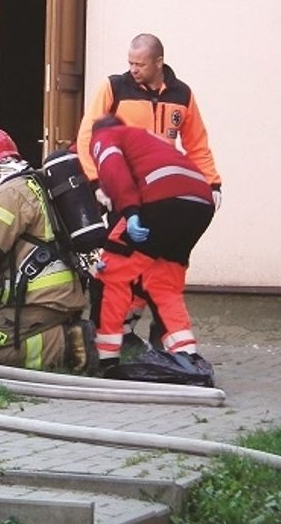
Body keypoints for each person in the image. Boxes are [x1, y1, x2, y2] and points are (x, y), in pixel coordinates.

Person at [75, 33, 221, 345]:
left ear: (158, 62)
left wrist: (212, 183)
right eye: (130, 63)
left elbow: (196, 144)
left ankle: (158, 337)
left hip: (165, 198)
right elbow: (90, 135)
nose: (133, 69)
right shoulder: (115, 87)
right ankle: (110, 334)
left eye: (140, 64)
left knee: (164, 266)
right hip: (125, 192)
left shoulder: (182, 94)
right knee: (119, 262)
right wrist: (97, 182)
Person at [0, 126, 96, 372]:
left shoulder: (10, 192)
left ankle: (65, 344)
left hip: (40, 299)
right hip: (57, 296)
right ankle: (60, 334)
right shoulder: (33, 181)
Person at [87, 115, 215, 375]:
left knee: (112, 274)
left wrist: (131, 210)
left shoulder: (105, 136)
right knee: (163, 283)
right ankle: (185, 355)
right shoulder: (148, 138)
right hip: (201, 203)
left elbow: (113, 167)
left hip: (162, 199)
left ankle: (107, 359)